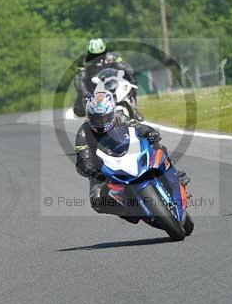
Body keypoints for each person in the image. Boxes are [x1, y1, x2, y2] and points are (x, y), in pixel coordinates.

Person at [74, 90, 186, 223]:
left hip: (128, 153)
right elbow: (82, 158)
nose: (100, 122)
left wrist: (149, 132)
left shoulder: (120, 118)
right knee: (97, 200)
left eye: (104, 117)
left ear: (112, 113)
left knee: (158, 147)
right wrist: (89, 168)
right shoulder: (83, 133)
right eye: (96, 118)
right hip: (103, 169)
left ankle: (175, 174)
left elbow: (138, 126)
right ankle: (128, 211)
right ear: (88, 116)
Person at [73, 38, 143, 120]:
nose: (98, 57)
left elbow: (126, 67)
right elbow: (79, 79)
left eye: (101, 54)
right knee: (79, 110)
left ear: (105, 51)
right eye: (94, 55)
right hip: (92, 87)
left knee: (131, 89)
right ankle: (90, 120)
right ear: (89, 53)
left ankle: (134, 110)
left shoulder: (113, 57)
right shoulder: (83, 61)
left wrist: (133, 82)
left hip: (112, 83)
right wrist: (85, 93)